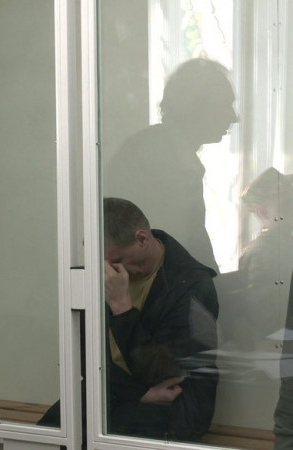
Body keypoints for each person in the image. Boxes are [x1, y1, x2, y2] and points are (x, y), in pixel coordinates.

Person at [104, 58, 239, 273]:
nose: (234, 117)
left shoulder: (167, 151)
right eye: (224, 105)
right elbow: (180, 244)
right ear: (194, 107)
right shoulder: (156, 158)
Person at [102, 197, 219, 441]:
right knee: (52, 426)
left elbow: (163, 372)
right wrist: (138, 394)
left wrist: (122, 307)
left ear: (142, 239)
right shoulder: (103, 270)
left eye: (116, 261)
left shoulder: (192, 286)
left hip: (172, 406)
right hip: (119, 393)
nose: (108, 270)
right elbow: (86, 358)